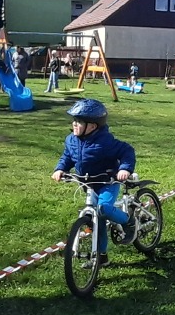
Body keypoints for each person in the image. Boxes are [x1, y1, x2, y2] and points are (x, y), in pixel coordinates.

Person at [51, 99, 135, 267]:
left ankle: (129, 221)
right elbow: (67, 157)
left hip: (107, 182)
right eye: (74, 120)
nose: (74, 124)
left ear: (93, 126)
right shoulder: (71, 140)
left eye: (79, 121)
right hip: (89, 184)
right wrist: (60, 169)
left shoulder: (105, 142)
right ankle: (102, 256)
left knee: (103, 209)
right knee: (98, 221)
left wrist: (124, 169)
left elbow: (127, 151)